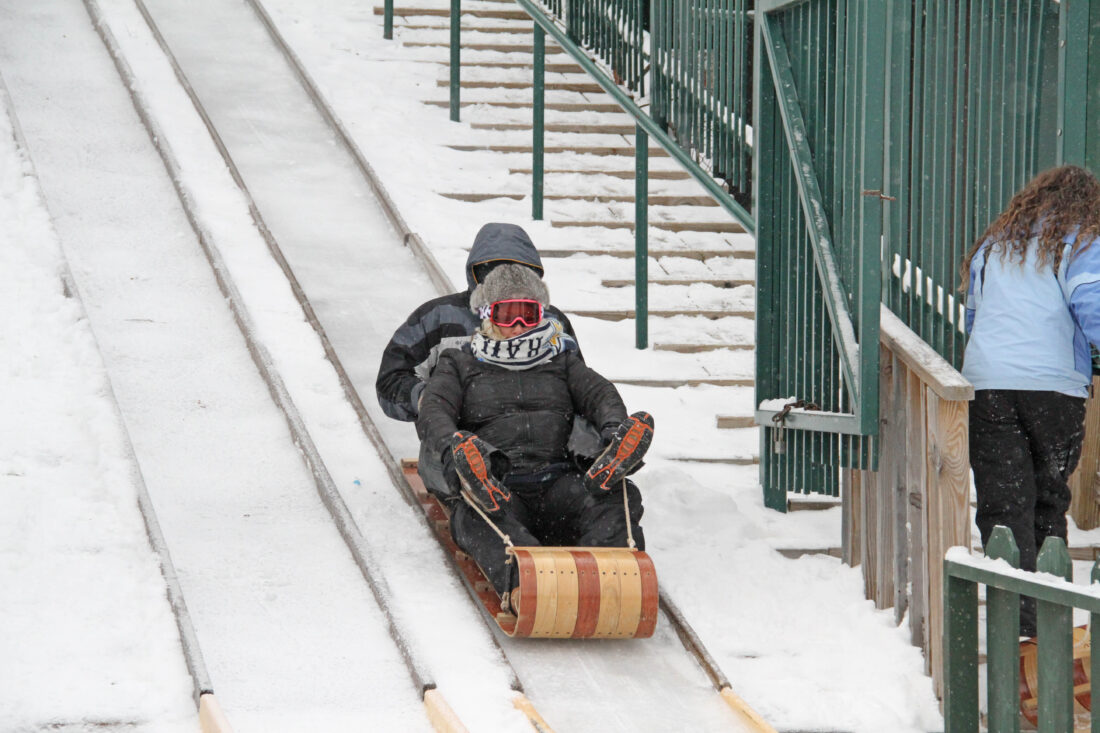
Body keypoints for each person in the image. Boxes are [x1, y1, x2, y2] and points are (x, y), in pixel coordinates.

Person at [416, 263, 652, 612]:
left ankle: (610, 575)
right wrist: (453, 447)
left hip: (559, 482)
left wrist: (613, 430)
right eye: (507, 314)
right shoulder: (460, 362)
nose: (518, 326)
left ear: (541, 314)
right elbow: (435, 408)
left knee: (616, 498)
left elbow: (600, 394)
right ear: (487, 314)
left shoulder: (561, 359)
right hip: (500, 484)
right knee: (474, 516)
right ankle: (528, 583)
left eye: (528, 314)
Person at [961, 164, 1100, 637]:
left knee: (1003, 505)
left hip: (989, 384)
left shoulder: (995, 244)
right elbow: (1093, 306)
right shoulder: (1081, 242)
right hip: (1054, 388)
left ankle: (1015, 621)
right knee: (1046, 500)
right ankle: (1045, 625)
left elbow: (973, 316)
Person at [376, 222, 582, 495]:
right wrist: (428, 398)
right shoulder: (439, 319)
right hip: (459, 444)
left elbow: (579, 383)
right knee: (471, 477)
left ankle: (589, 463)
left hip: (542, 453)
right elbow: (391, 379)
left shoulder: (551, 322)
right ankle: (472, 476)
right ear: (477, 275)